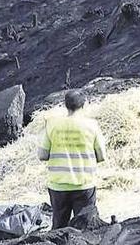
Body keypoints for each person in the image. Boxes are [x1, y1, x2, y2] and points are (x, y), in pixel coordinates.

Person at [37, 90, 106, 230]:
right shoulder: (92, 125)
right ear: (84, 104)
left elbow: (42, 155)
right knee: (85, 229)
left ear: (65, 105)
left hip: (58, 186)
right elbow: (101, 156)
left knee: (59, 230)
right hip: (84, 185)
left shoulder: (52, 124)